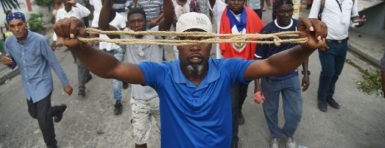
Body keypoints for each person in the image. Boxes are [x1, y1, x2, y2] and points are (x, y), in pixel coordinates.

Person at [54, 11, 327, 148]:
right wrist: (79, 47)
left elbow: (270, 65)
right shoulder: (162, 73)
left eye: (202, 40)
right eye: (188, 40)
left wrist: (306, 47)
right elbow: (113, 69)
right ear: (177, 46)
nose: (195, 46)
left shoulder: (228, 69)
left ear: (211, 45)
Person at [99, 0, 174, 148]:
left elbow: (168, 19)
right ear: (128, 24)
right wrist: (108, 0)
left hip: (160, 97)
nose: (137, 24)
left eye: (140, 21)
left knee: (169, 137)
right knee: (140, 141)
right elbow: (103, 26)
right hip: (138, 100)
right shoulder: (126, 36)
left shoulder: (156, 33)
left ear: (146, 22)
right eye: (133, 22)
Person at [203, 0, 264, 148]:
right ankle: (232, 142)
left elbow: (262, 37)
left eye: (239, 0)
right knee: (230, 105)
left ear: (244, 0)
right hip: (226, 67)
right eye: (232, 0)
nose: (235, 3)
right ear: (227, 0)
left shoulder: (251, 14)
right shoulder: (221, 11)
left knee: (240, 99)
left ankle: (237, 111)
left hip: (245, 67)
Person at [2, 12, 73, 148]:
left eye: (19, 24)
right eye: (12, 26)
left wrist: (66, 84)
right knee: (33, 113)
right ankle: (57, 110)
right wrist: (7, 62)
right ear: (8, 27)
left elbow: (54, 63)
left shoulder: (39, 40)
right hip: (28, 86)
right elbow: (14, 64)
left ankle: (52, 145)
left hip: (43, 83)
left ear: (25, 24)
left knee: (43, 121)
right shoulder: (9, 42)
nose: (17, 29)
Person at [253, 0, 310, 148]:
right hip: (270, 79)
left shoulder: (299, 28)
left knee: (295, 112)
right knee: (270, 110)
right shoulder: (267, 31)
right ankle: (275, 136)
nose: (286, 14)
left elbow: (303, 52)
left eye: (289, 11)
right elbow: (257, 60)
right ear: (275, 12)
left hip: (292, 77)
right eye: (282, 11)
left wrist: (305, 73)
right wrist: (257, 86)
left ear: (293, 11)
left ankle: (289, 134)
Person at [308, 0, 366, 112]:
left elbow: (354, 19)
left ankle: (329, 95)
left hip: (343, 42)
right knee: (328, 71)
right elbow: (312, 20)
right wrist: (319, 40)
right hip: (327, 42)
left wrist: (359, 22)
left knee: (337, 72)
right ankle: (321, 98)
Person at [53, 0, 92, 97]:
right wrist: (54, 41)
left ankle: (81, 88)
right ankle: (87, 74)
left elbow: (88, 12)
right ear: (63, 4)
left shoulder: (76, 9)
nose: (68, 5)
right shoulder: (60, 12)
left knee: (80, 62)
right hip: (69, 42)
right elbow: (57, 26)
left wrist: (77, 4)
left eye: (70, 3)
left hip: (80, 39)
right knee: (79, 61)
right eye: (67, 3)